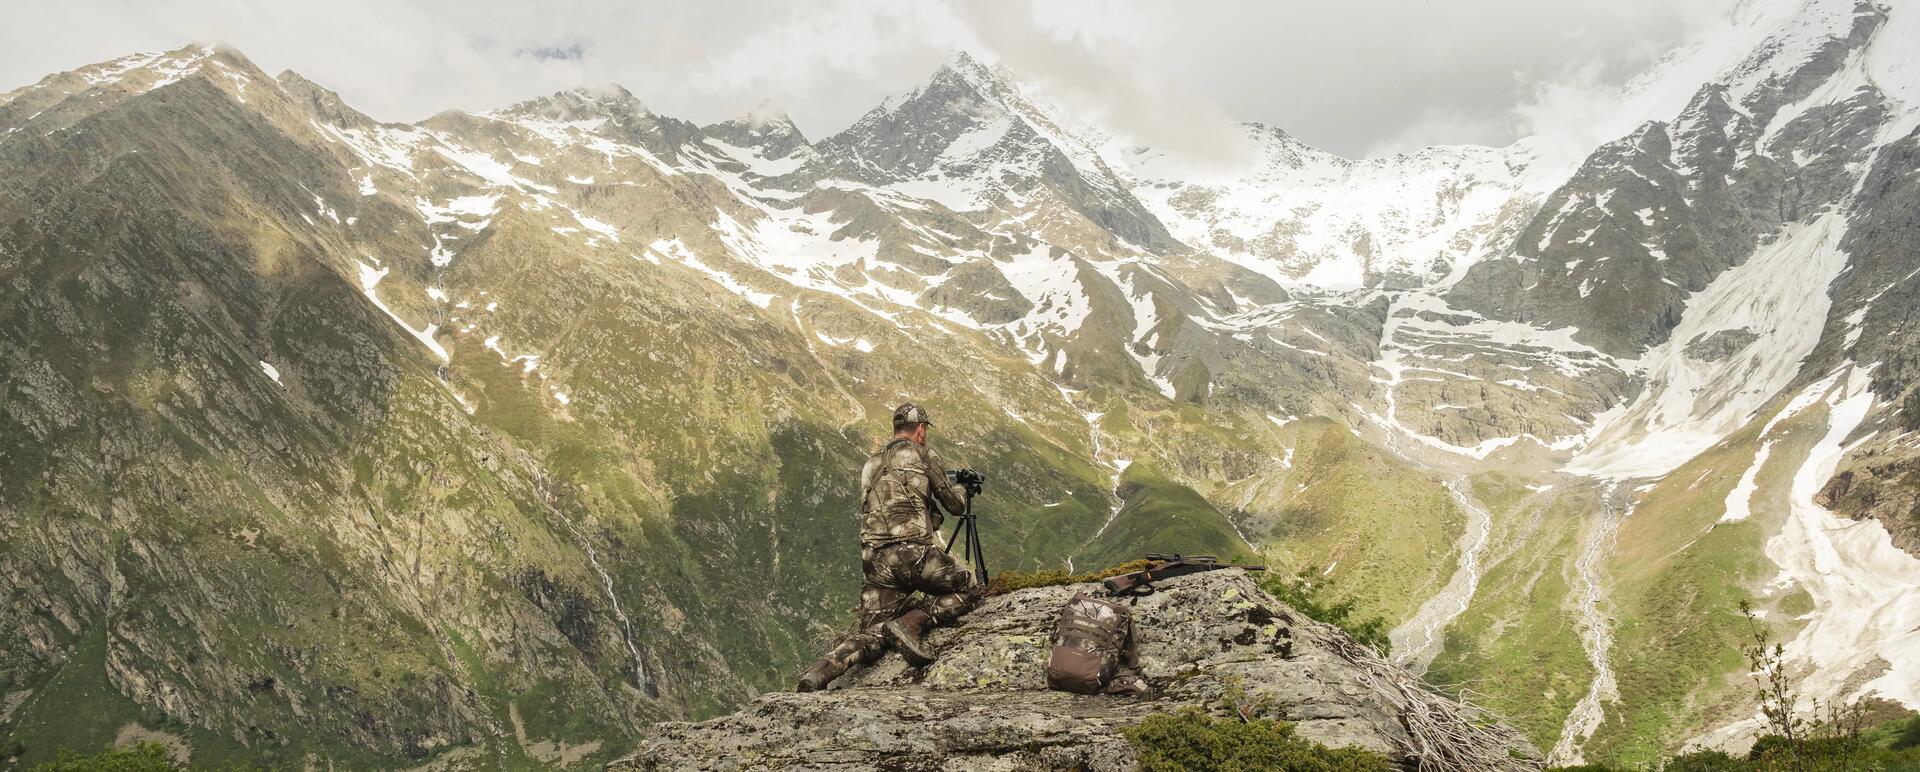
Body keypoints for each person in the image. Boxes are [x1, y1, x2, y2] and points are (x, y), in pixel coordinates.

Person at [796, 403, 981, 692]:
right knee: (971, 587)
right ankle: (913, 622)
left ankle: (821, 671)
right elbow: (954, 505)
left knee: (873, 633)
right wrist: (964, 490)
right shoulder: (922, 454)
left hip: (875, 561)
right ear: (921, 430)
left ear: (896, 428)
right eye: (925, 430)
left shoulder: (870, 463)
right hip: (912, 555)